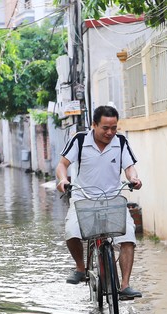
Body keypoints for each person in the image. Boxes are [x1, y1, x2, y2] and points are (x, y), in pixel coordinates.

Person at [56, 105, 143, 299]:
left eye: (114, 128)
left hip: (112, 198)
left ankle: (125, 285)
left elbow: (129, 167)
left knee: (128, 237)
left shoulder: (120, 142)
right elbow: (62, 164)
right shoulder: (79, 140)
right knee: (72, 232)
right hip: (83, 198)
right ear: (94, 125)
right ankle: (80, 268)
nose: (110, 132)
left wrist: (134, 178)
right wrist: (63, 180)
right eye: (105, 128)